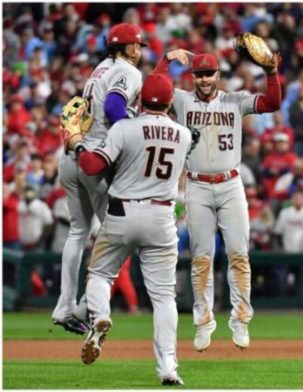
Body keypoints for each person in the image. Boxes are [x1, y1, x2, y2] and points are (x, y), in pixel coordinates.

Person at [50, 23, 190, 334]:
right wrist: (135, 125)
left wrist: (164, 62)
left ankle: (64, 307)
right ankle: (90, 308)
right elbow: (115, 106)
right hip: (97, 160)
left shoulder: (100, 67)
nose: (139, 50)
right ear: (125, 48)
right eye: (136, 46)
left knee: (78, 232)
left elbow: (147, 88)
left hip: (73, 153)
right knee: (119, 237)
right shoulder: (129, 71)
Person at [153, 50, 281, 351]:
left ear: (218, 76)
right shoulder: (183, 100)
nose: (204, 79)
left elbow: (272, 102)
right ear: (192, 76)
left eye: (209, 73)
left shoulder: (234, 101)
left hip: (230, 183)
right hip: (197, 184)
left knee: (238, 253)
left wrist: (272, 72)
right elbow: (154, 89)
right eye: (199, 74)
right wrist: (166, 59)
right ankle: (203, 322)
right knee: (201, 257)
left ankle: (240, 321)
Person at [75, 73, 191, 385]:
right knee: (165, 297)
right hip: (162, 216)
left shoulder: (124, 128)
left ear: (139, 99)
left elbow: (91, 166)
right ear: (169, 102)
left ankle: (99, 316)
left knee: (99, 274)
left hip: (122, 211)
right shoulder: (183, 134)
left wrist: (76, 143)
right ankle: (168, 367)